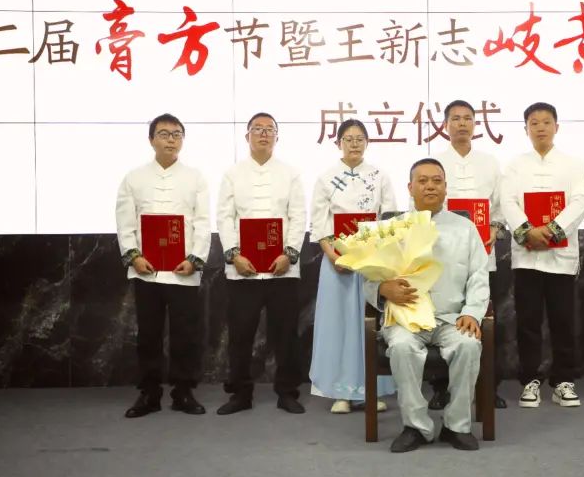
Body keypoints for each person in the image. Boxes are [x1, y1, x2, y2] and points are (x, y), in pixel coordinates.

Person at [367, 158, 489, 453]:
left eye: (436, 180)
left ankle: (457, 426)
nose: (430, 186)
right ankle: (416, 427)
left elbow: (479, 276)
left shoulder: (466, 228)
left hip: (452, 318)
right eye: (422, 181)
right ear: (410, 187)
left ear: (446, 187)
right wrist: (382, 289)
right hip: (406, 318)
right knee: (401, 347)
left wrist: (472, 313)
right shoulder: (390, 229)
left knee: (468, 345)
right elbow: (368, 275)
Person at [115, 113, 210, 418]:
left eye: (177, 134)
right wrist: (134, 256)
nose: (171, 140)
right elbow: (125, 223)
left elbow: (202, 223)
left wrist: (194, 259)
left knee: (185, 335)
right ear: (151, 139)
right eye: (164, 134)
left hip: (184, 270)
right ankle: (149, 393)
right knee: (149, 335)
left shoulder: (195, 177)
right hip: (148, 271)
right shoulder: (134, 178)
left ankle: (183, 392)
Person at [216, 112, 307, 415]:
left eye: (270, 129)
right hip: (244, 269)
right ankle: (240, 394)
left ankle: (288, 392)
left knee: (286, 334)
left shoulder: (291, 173)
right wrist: (234, 255)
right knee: (240, 335)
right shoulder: (232, 174)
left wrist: (289, 254)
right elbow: (225, 217)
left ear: (277, 137)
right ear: (247, 136)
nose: (264, 134)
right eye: (258, 129)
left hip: (283, 269)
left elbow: (298, 216)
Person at [500, 102, 584, 409]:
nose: (540, 127)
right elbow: (507, 201)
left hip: (560, 257)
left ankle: (564, 381)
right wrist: (528, 231)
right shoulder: (515, 165)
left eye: (546, 122)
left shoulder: (573, 164)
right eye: (534, 123)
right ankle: (530, 381)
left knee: (563, 321)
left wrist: (552, 229)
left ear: (556, 127)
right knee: (528, 321)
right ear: (525, 129)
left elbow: (581, 200)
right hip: (527, 256)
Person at [309, 119, 397, 413]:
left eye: (360, 138)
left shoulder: (380, 176)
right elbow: (320, 224)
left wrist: (374, 253)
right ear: (338, 143)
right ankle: (341, 392)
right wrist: (335, 256)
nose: (355, 144)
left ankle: (371, 390)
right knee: (340, 326)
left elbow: (389, 219)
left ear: (367, 143)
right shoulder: (326, 178)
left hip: (372, 263)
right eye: (348, 139)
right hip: (337, 265)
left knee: (369, 324)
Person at [431, 99, 507, 409]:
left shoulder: (490, 163)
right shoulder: (434, 163)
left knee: (485, 319)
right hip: (442, 262)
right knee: (442, 323)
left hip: (483, 256)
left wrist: (495, 229)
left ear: (475, 124)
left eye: (467, 118)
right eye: (455, 118)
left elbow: (500, 207)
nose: (462, 124)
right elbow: (420, 210)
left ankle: (488, 386)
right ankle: (441, 388)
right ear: (445, 125)